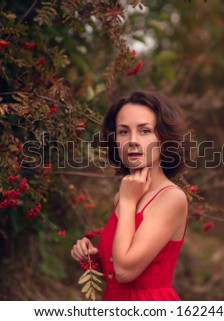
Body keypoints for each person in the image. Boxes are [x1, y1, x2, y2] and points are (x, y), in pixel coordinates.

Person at [70, 90, 190, 300]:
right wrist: (93, 258)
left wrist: (127, 201)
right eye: (123, 132)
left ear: (164, 138)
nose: (132, 140)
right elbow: (115, 273)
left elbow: (125, 271)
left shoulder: (171, 198)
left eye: (144, 131)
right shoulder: (126, 196)